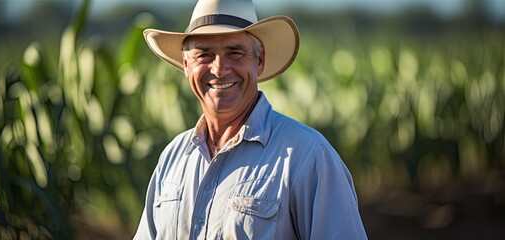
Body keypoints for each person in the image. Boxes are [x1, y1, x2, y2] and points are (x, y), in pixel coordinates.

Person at [134, 0, 368, 239]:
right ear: (186, 64)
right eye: (204, 54)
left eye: (234, 52)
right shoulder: (172, 158)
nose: (219, 68)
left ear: (259, 61)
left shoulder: (306, 156)